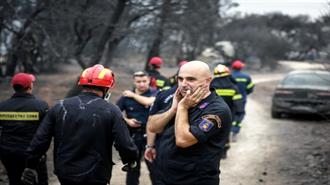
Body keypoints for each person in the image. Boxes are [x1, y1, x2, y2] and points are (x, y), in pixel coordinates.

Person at [21, 64, 139, 185]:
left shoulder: (59, 107)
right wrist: (130, 159)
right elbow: (124, 143)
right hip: (97, 174)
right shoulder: (112, 110)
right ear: (106, 88)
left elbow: (40, 139)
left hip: (65, 172)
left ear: (82, 84)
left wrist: (30, 165)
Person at [148, 61, 232, 185]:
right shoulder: (183, 99)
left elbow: (183, 141)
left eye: (191, 79)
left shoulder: (217, 110)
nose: (183, 84)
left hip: (194, 180)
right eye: (180, 79)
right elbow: (152, 127)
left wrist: (182, 108)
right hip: (166, 176)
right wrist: (173, 109)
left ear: (208, 81)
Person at [0, 73, 49, 185]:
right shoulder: (40, 106)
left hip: (9, 154)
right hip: (33, 155)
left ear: (13, 87)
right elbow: (46, 133)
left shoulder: (2, 107)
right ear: (30, 86)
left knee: (14, 181)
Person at [116, 71, 157, 185]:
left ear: (149, 81)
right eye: (138, 82)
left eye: (144, 81)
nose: (142, 84)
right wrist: (127, 121)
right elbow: (115, 112)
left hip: (151, 136)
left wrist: (133, 95)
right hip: (133, 136)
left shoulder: (155, 93)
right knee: (133, 168)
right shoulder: (125, 97)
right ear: (134, 82)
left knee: (155, 168)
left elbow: (149, 102)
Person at [211, 64, 244, 145]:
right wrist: (239, 113)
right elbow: (239, 105)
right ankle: (225, 148)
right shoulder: (233, 87)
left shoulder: (210, 86)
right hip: (229, 115)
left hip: (213, 115)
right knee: (225, 134)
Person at [231, 60, 254, 139]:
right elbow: (250, 88)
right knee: (239, 114)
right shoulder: (246, 77)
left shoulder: (229, 75)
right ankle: (235, 132)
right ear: (241, 68)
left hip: (230, 100)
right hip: (241, 100)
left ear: (232, 67)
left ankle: (227, 131)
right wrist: (244, 93)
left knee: (229, 114)